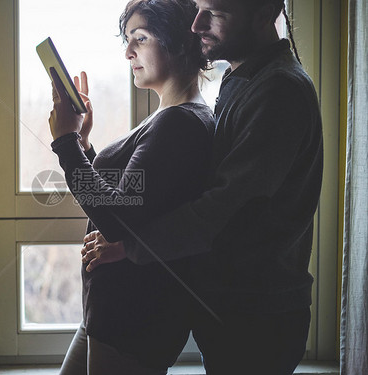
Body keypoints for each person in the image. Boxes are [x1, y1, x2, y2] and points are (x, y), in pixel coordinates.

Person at [80, 0, 324, 374]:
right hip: (233, 310)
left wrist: (129, 245)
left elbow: (217, 210)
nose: (196, 25)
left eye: (215, 13)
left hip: (258, 317)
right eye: (197, 8)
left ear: (265, 13)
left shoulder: (278, 91)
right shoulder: (243, 79)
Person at [47, 0, 215, 373]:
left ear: (177, 42)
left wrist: (65, 142)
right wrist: (83, 144)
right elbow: (131, 199)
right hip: (109, 317)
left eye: (140, 38)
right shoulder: (170, 118)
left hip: (131, 324)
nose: (128, 52)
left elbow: (117, 219)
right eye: (127, 40)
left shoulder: (180, 124)